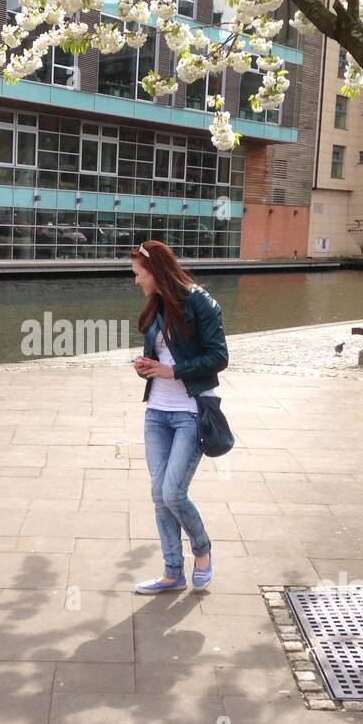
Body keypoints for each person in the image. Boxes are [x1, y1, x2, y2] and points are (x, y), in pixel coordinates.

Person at [130, 240, 228, 593]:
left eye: (138, 274)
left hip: (190, 412)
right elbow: (161, 359)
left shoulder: (199, 302)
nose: (136, 281)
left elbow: (219, 357)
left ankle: (202, 550)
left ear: (155, 271)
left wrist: (174, 372)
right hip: (157, 412)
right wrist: (146, 369)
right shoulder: (156, 306)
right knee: (159, 495)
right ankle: (173, 572)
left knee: (173, 493)